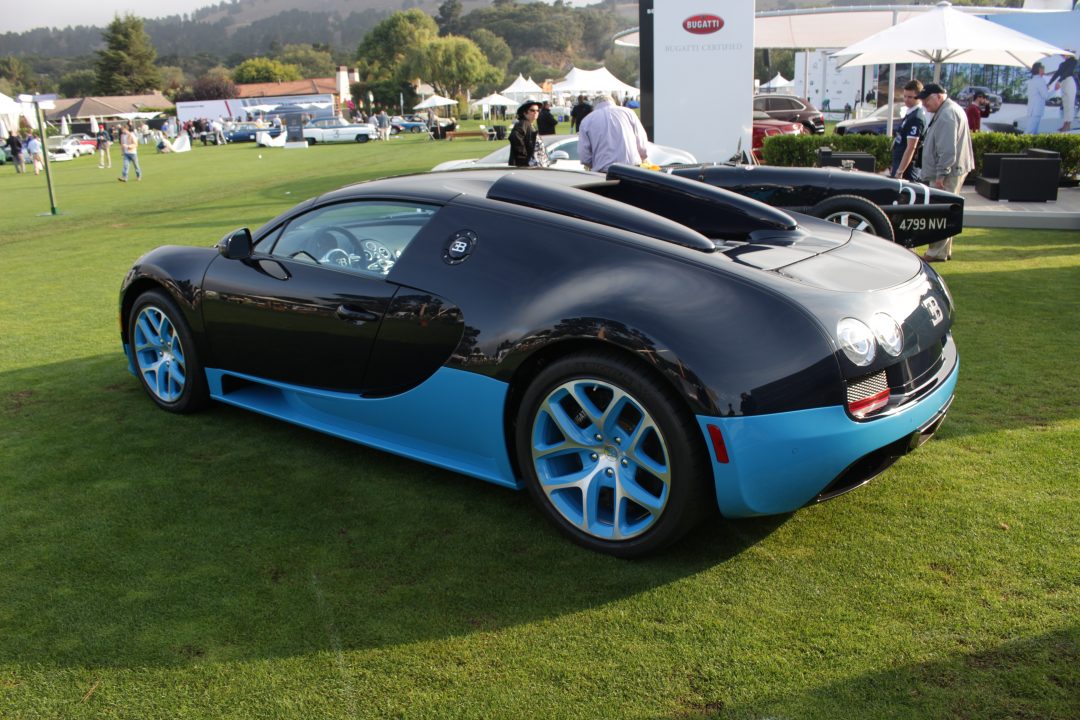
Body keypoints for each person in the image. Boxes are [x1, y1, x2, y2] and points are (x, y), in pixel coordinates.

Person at [917, 83, 973, 263]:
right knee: (947, 211)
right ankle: (943, 251)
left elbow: (947, 150)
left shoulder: (947, 114)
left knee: (940, 213)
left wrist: (941, 174)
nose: (924, 103)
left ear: (939, 96)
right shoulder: (948, 110)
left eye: (927, 99)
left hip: (947, 173)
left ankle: (936, 253)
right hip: (951, 170)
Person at [578, 93, 649, 174]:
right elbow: (642, 144)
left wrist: (596, 163)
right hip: (632, 169)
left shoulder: (586, 121)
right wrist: (642, 157)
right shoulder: (628, 113)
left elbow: (584, 157)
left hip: (604, 172)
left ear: (594, 106)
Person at [891, 80, 926, 181]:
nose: (906, 100)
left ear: (919, 97)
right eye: (905, 96)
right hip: (899, 161)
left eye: (910, 97)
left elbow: (911, 147)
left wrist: (900, 171)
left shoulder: (916, 117)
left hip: (908, 169)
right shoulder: (910, 113)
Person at [507, 100, 548, 167]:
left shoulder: (531, 125)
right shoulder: (523, 123)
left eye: (538, 110)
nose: (536, 112)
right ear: (524, 112)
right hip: (529, 167)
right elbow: (514, 137)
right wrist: (524, 158)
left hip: (537, 166)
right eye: (532, 110)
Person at [1048, 53, 1077, 132]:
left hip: (1069, 81)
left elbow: (1068, 72)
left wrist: (1059, 81)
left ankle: (1068, 125)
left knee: (1070, 104)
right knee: (1065, 104)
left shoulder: (1073, 61)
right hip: (1063, 82)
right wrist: (1049, 83)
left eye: (1064, 54)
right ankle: (1065, 124)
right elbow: (1057, 74)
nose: (1063, 56)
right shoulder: (1062, 64)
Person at [1025, 62, 1050, 135]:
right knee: (1029, 133)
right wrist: (1055, 89)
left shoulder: (1032, 80)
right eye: (1042, 68)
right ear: (1039, 69)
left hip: (1032, 110)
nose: (1044, 69)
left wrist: (1045, 89)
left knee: (1031, 133)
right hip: (1036, 111)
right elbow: (1046, 96)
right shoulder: (1040, 80)